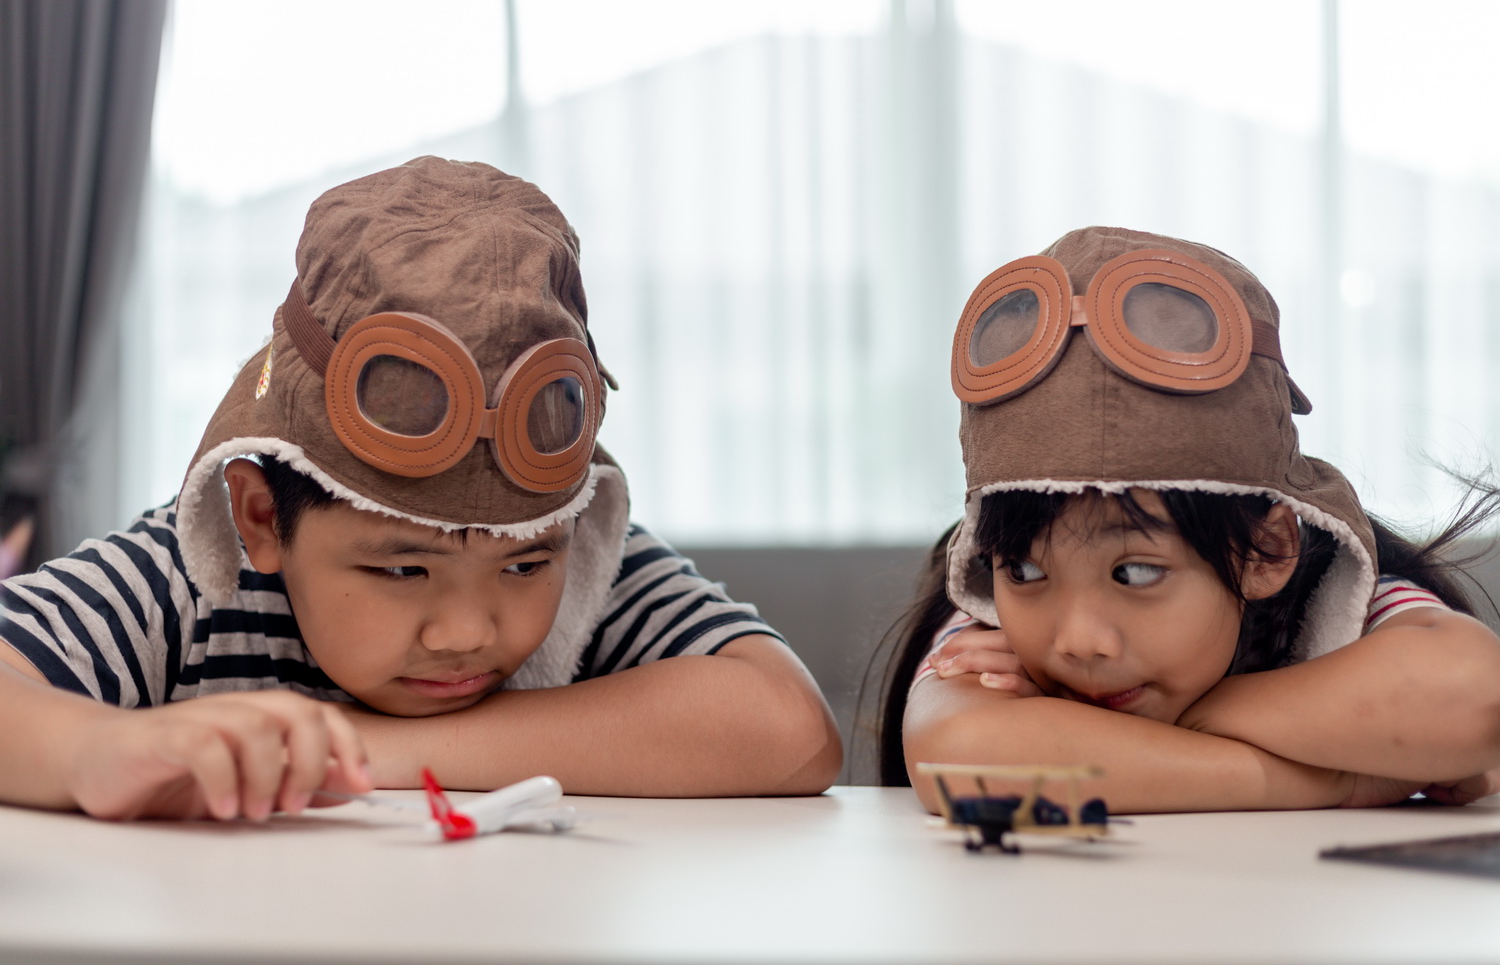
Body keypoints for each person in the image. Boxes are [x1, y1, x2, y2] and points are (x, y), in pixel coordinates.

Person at [0, 157, 842, 821]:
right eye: (403, 569)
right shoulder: (187, 581)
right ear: (261, 513)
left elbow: (790, 730)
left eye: (522, 567)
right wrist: (93, 750)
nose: (469, 632)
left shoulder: (581, 558)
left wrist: (366, 752)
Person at [878, 225, 1500, 814]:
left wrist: (1193, 713)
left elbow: (1476, 699)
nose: (1077, 640)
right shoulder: (994, 620)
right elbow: (960, 761)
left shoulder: (1333, 599)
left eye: (1137, 573)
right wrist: (1335, 776)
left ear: (1265, 551)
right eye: (1024, 568)